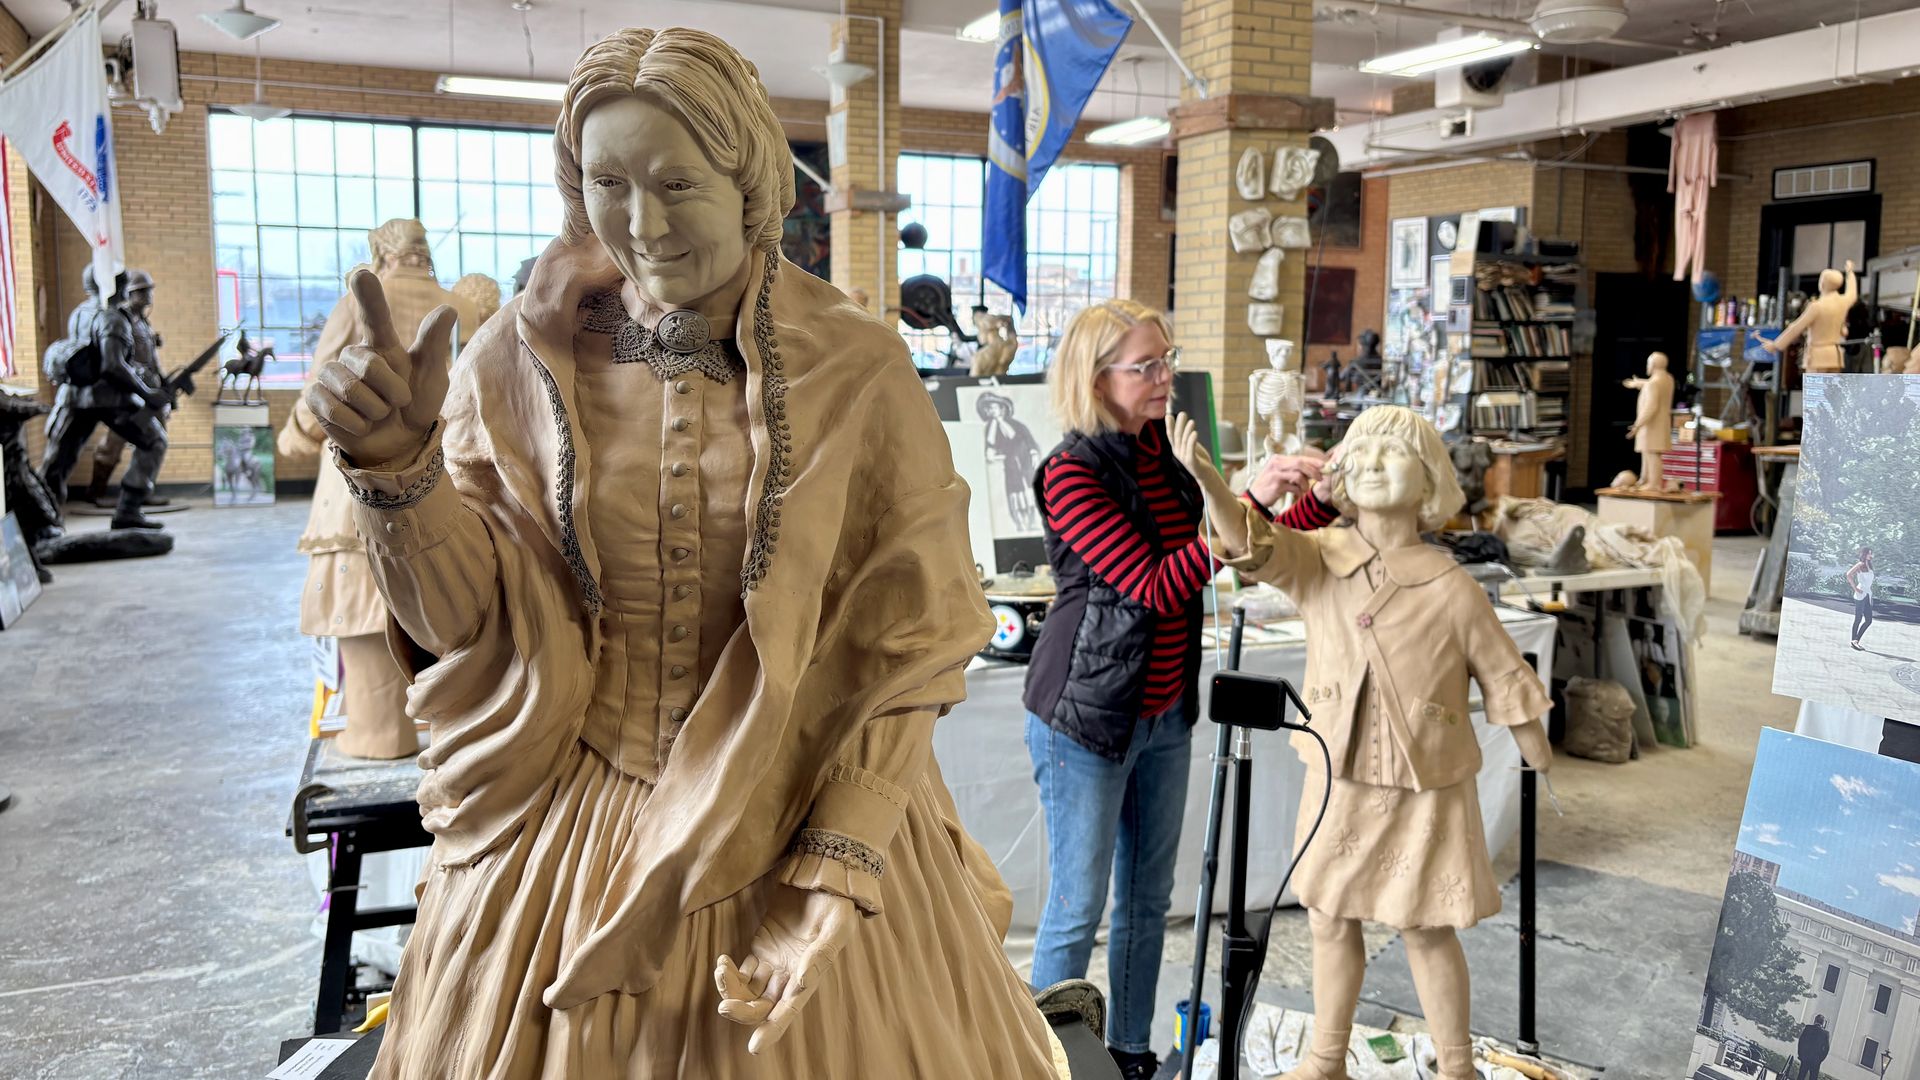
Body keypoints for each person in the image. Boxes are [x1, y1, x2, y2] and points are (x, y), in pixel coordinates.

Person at [302, 27, 1062, 1077]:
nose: (642, 225)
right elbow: (463, 628)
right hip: (568, 833)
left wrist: (835, 870)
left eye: (677, 183)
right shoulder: (510, 362)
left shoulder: (858, 367)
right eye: (608, 183)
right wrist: (398, 474)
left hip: (806, 804)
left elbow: (914, 643)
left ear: (750, 184)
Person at [1169, 404, 1553, 1080]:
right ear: (1339, 471)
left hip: (1424, 783)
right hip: (1337, 772)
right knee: (1326, 914)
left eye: (1393, 453)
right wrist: (1213, 486)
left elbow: (1501, 667)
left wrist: (1534, 747)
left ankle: (1457, 1066)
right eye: (1361, 452)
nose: (1372, 464)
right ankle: (1326, 1059)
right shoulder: (1318, 561)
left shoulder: (1452, 586)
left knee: (1425, 925)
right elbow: (1252, 546)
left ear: (1430, 479)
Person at [1021, 298, 1340, 1080]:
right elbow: (1155, 584)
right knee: (1075, 910)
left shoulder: (1161, 451)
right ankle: (1039, 1062)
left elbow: (1237, 541)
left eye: (1168, 358)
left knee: (1146, 902)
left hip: (1163, 714)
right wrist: (1243, 497)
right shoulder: (1069, 473)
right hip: (1086, 720)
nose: (1168, 376)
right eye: (1148, 366)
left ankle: (1127, 1054)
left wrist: (1313, 502)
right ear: (1098, 380)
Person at [277, 219, 479, 760]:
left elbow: (328, 386)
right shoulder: (460, 302)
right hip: (445, 469)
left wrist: (294, 437)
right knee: (442, 593)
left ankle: (377, 729)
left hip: (360, 472)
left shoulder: (360, 302)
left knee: (360, 594)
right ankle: (447, 730)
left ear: (380, 250)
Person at [39, 269, 172, 530]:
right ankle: (128, 511)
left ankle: (42, 523)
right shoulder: (114, 317)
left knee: (57, 461)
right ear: (118, 287)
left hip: (74, 397)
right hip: (108, 397)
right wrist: (147, 394)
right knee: (154, 441)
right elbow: (113, 366)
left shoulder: (80, 311)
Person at [1847, 546, 1876, 651]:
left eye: (1871, 553)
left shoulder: (1869, 566)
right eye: (1869, 553)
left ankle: (1856, 641)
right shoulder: (1860, 564)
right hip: (1860, 593)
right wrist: (1855, 588)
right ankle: (1853, 641)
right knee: (1858, 618)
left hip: (1868, 594)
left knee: (1868, 620)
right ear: (1864, 554)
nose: (1870, 555)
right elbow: (1849, 574)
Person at [1796, 1014, 1830, 1079]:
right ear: (1823, 1023)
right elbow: (1826, 1049)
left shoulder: (1808, 1028)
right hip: (1816, 1060)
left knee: (1801, 1076)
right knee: (1813, 1077)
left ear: (1815, 1020)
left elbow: (1801, 1042)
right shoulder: (1825, 1033)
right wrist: (1820, 1059)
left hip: (1805, 1057)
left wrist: (1801, 1054)